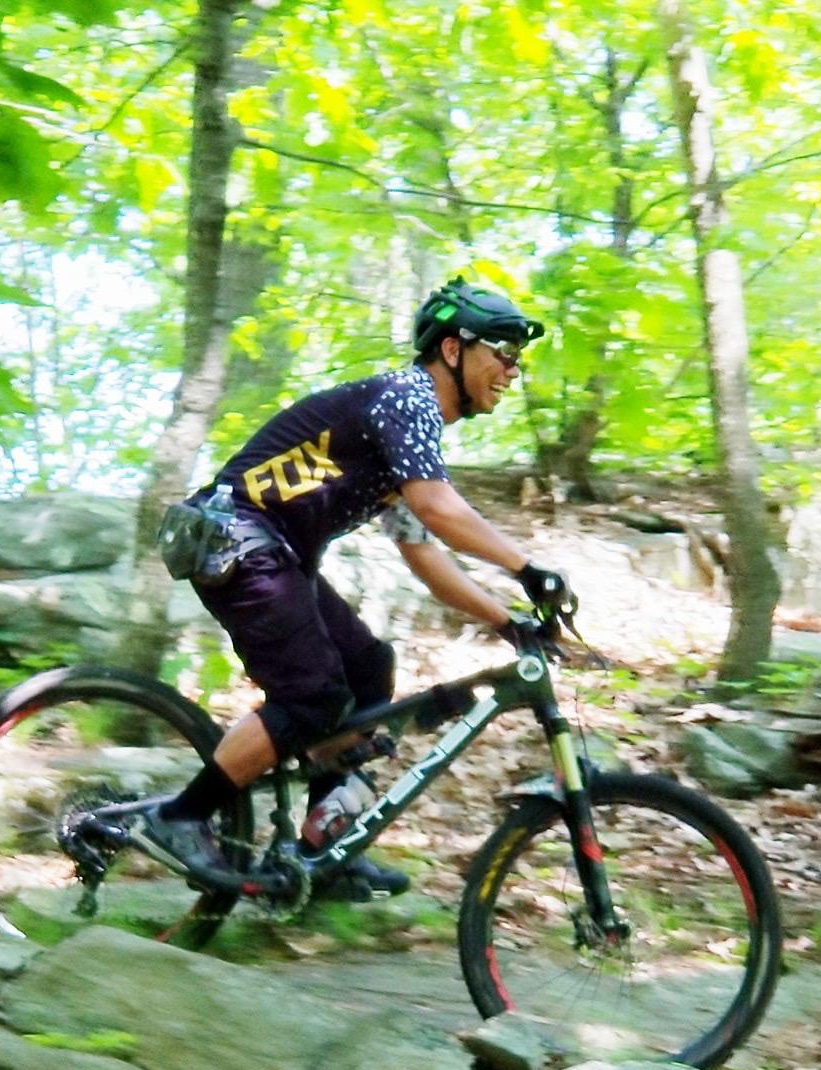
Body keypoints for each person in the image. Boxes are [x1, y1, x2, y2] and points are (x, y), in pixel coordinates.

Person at [140, 278, 576, 899]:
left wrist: (508, 623)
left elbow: (423, 550)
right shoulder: (407, 397)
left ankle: (327, 846)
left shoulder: (408, 432)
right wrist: (527, 568)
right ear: (453, 349)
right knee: (314, 697)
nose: (512, 370)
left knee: (369, 666)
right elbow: (439, 507)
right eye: (502, 352)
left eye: (517, 358)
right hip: (234, 536)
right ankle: (179, 816)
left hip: (274, 551)